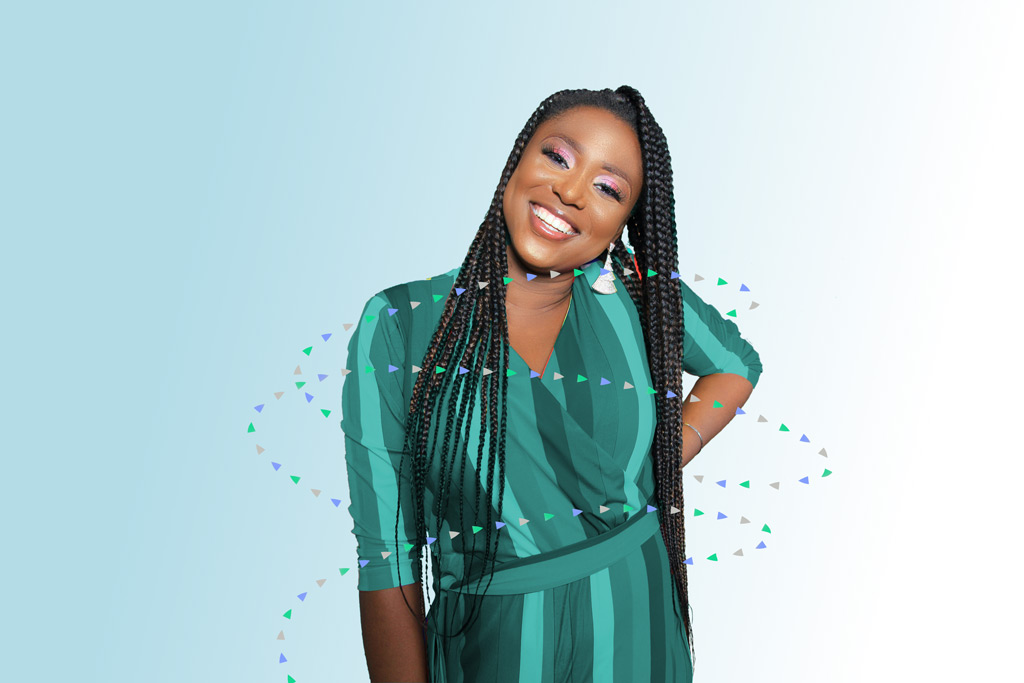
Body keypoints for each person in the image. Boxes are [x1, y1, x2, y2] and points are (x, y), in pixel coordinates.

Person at [341, 86, 763, 683]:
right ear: (516, 162)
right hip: (493, 650)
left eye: (608, 189)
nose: (570, 192)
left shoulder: (631, 293)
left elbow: (736, 365)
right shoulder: (400, 326)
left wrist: (665, 454)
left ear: (622, 224)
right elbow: (387, 560)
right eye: (558, 158)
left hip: (637, 628)